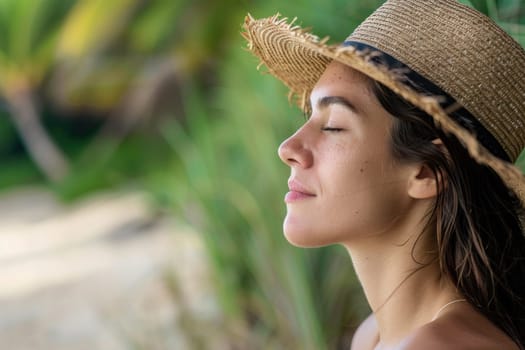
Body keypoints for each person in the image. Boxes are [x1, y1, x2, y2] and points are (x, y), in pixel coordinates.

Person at [243, 0, 525, 349]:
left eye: (332, 126)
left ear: (426, 172)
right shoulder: (372, 337)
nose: (288, 148)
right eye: (309, 119)